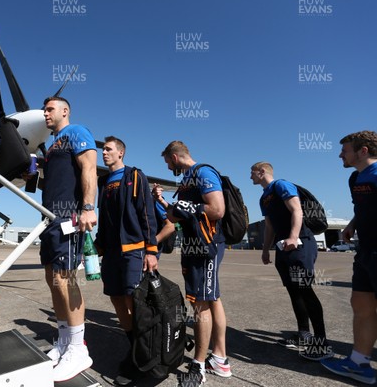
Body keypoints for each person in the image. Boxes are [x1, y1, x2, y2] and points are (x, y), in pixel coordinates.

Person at [153, 140, 230, 387]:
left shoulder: (203, 173)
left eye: (167, 162)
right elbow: (181, 214)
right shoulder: (188, 179)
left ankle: (198, 367)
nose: (167, 167)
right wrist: (168, 205)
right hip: (195, 246)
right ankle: (219, 358)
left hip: (206, 248)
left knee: (200, 303)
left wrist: (184, 207)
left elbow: (217, 209)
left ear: (174, 157)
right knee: (212, 299)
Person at [33, 96, 97, 382]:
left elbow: (89, 169)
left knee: (64, 278)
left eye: (49, 109)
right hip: (49, 218)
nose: (45, 113)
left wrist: (87, 207)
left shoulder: (77, 132)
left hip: (69, 217)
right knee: (52, 278)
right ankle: (63, 340)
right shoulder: (53, 144)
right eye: (44, 109)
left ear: (65, 111)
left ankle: (78, 349)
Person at [250, 162, 331, 360]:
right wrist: (265, 250)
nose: (250, 177)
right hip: (283, 248)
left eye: (252, 173)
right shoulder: (264, 197)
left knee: (305, 290)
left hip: (300, 243)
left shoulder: (281, 185)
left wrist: (294, 237)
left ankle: (322, 344)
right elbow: (269, 226)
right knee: (294, 292)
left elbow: (297, 210)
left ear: (262, 172)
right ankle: (304, 334)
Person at [93, 136, 158, 385]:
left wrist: (151, 250)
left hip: (133, 249)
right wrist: (98, 244)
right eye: (103, 150)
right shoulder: (102, 181)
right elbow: (103, 214)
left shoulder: (134, 176)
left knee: (134, 302)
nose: (104, 153)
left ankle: (146, 359)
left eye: (108, 149)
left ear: (121, 153)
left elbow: (146, 211)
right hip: (110, 252)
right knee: (117, 299)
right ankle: (135, 351)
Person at [322, 131, 377, 385]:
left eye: (345, 150)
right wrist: (353, 224)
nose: (340, 154)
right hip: (365, 250)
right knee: (361, 304)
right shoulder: (355, 177)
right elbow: (362, 208)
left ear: (363, 150)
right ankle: (359, 362)